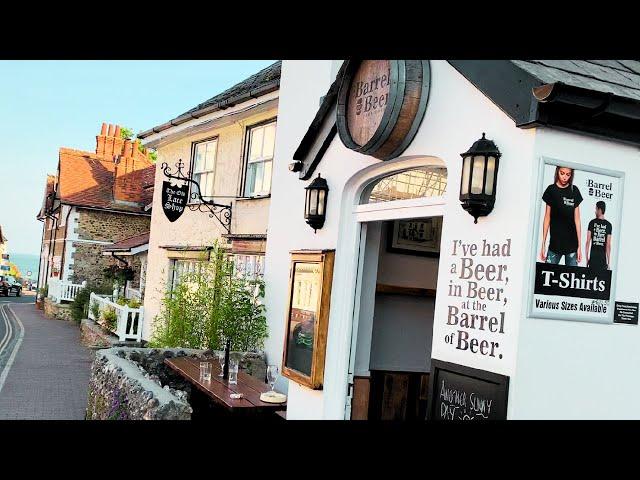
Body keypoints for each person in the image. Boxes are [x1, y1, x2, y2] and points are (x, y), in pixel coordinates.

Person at [539, 166, 583, 266]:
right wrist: (543, 244)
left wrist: (580, 246)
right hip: (555, 245)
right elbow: (547, 218)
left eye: (568, 174)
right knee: (546, 277)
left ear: (571, 176)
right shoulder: (551, 190)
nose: (564, 177)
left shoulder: (574, 190)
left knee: (572, 279)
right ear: (557, 172)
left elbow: (577, 220)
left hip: (572, 246)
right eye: (562, 173)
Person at [585, 201, 612, 271]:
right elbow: (608, 245)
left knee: (590, 280)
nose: (595, 211)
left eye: (596, 209)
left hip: (593, 259)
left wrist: (587, 259)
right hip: (602, 261)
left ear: (599, 210)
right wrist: (609, 262)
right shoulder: (609, 225)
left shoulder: (592, 223)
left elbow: (588, 242)